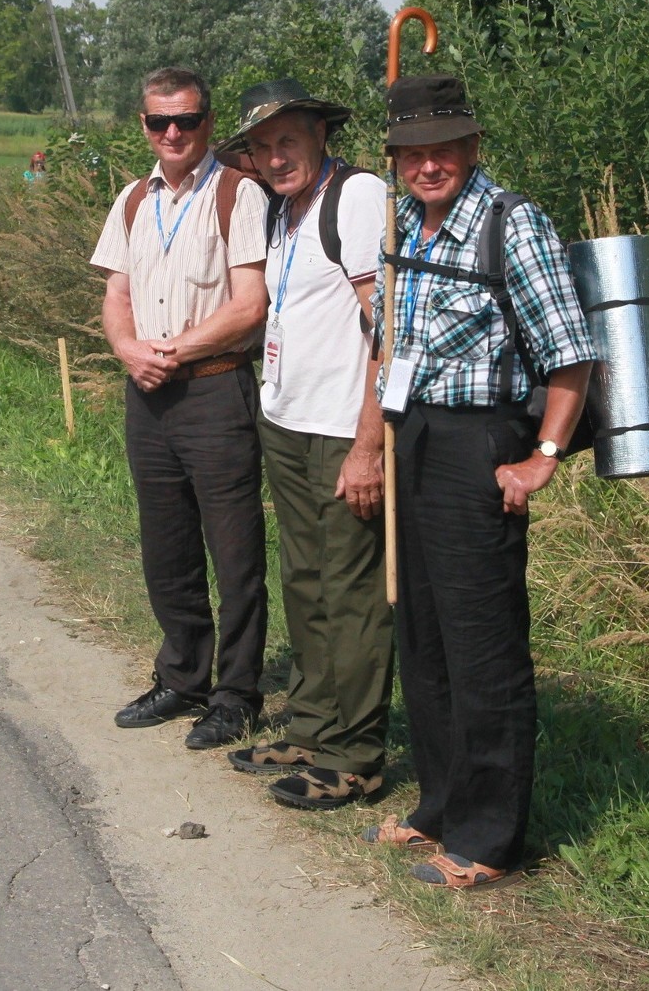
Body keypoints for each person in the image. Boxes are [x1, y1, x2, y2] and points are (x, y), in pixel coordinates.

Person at [360, 75, 596, 887]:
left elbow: (570, 354)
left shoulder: (512, 223)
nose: (429, 166)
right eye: (413, 154)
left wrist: (543, 458)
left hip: (477, 445)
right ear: (395, 161)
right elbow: (387, 336)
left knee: (482, 641)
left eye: (444, 150)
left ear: (472, 148)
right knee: (422, 633)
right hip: (412, 433)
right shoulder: (405, 230)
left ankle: (493, 837)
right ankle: (441, 804)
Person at [216, 79, 393, 809]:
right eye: (261, 146)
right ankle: (314, 725)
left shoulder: (354, 197)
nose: (274, 156)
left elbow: (383, 325)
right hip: (289, 422)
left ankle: (356, 754)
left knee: (350, 594)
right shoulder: (286, 211)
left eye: (287, 139)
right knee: (306, 579)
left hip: (339, 430)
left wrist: (368, 444)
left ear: (321, 134)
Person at [91, 66, 270, 749]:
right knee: (165, 549)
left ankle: (236, 693)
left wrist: (171, 349)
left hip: (216, 389)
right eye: (159, 121)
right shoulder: (133, 199)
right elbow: (116, 293)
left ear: (208, 122)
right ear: (142, 124)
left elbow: (250, 304)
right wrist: (128, 350)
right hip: (149, 394)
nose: (173, 133)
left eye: (187, 120)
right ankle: (183, 676)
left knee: (235, 553)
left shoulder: (237, 194)